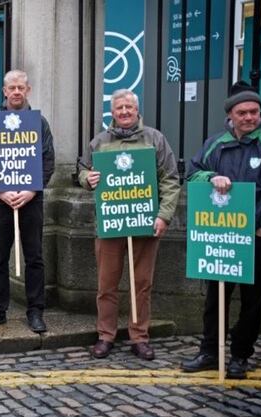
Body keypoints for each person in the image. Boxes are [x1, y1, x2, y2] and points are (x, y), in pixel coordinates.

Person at [181, 81, 261, 379]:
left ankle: (241, 354)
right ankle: (209, 351)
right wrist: (212, 177)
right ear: (231, 114)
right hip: (221, 236)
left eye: (254, 112)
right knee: (215, 296)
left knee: (254, 300)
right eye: (243, 112)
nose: (250, 117)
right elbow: (193, 173)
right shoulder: (215, 143)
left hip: (257, 238)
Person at [78, 89, 180, 360]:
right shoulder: (99, 141)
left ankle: (139, 337)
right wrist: (87, 178)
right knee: (106, 284)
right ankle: (105, 335)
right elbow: (81, 170)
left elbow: (170, 178)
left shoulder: (155, 139)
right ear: (113, 113)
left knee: (142, 284)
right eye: (119, 108)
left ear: (137, 110)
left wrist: (164, 215)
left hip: (145, 222)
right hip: (110, 223)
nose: (124, 112)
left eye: (129, 108)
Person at [0, 70, 55, 333]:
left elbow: (48, 160)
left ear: (28, 90)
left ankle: (35, 311)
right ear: (4, 92)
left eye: (21, 87)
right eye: (12, 88)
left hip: (31, 200)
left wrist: (31, 190)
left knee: (35, 257)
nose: (17, 92)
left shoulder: (38, 123)